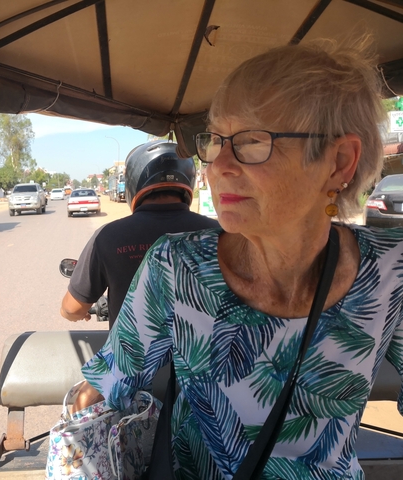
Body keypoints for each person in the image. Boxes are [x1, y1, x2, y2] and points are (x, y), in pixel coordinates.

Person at [76, 37, 403, 479]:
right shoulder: (177, 268)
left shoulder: (390, 271)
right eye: (216, 139)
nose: (218, 165)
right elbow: (105, 389)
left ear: (339, 162)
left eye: (252, 141)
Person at [60, 141, 219, 328]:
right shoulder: (219, 233)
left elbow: (71, 309)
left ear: (133, 182)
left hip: (133, 357)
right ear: (188, 179)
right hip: (205, 356)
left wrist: (72, 313)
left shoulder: (109, 236)